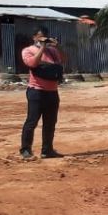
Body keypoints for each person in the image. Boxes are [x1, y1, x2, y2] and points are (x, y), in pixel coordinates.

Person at [20, 26, 66, 159]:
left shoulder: (53, 51)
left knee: (50, 122)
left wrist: (58, 47)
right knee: (32, 121)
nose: (43, 40)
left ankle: (47, 150)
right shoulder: (28, 50)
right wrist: (42, 48)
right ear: (34, 37)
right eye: (40, 37)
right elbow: (33, 63)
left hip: (52, 92)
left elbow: (64, 60)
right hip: (36, 91)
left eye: (44, 37)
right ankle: (25, 150)